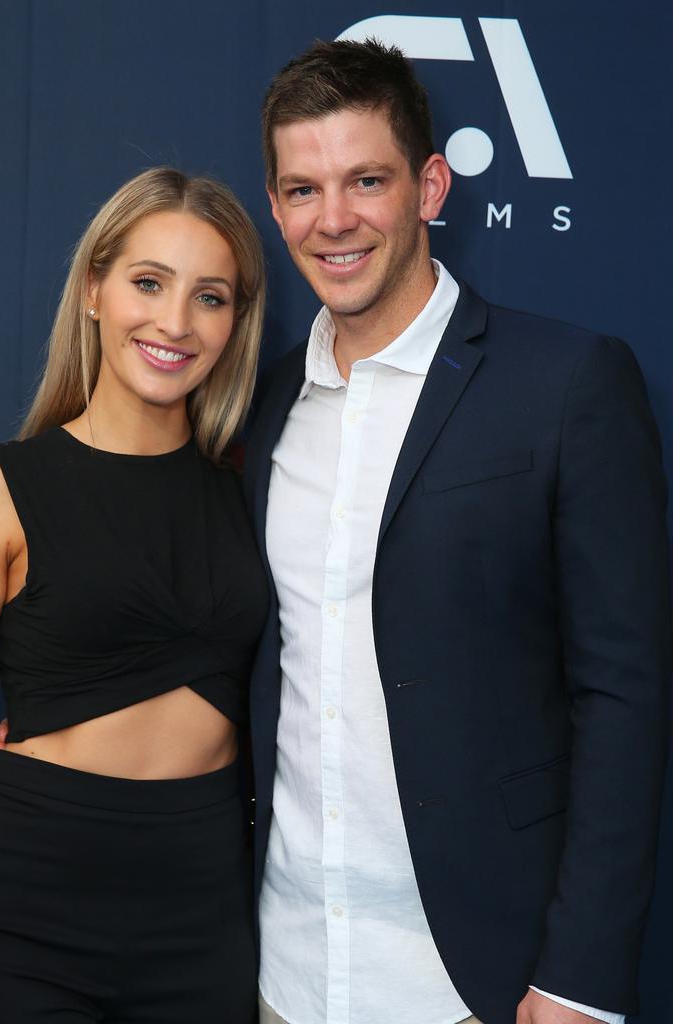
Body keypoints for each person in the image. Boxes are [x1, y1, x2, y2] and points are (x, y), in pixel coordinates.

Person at [243, 39, 671, 1024]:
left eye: (367, 180)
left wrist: (580, 981)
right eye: (302, 189)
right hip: (285, 970)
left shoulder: (566, 383)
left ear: (430, 186)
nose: (334, 219)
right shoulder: (263, 411)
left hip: (482, 980)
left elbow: (624, 694)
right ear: (274, 207)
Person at [0, 166, 268, 1024]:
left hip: (206, 916)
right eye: (149, 283)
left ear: (235, 323)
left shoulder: (254, 488)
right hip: (30, 913)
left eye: (210, 297)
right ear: (96, 288)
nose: (175, 322)